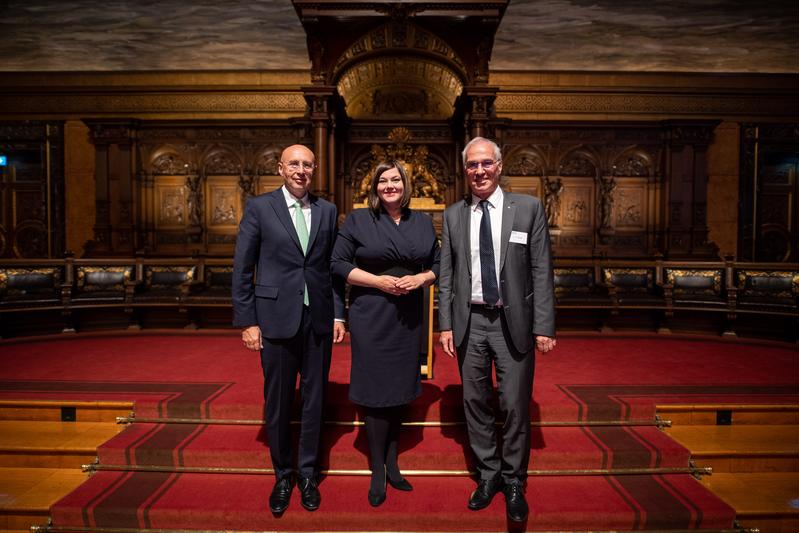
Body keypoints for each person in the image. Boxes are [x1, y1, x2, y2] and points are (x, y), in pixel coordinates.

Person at [438, 137, 557, 522]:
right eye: (472, 165)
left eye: (486, 163)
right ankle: (488, 476)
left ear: (500, 166)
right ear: (465, 170)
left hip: (513, 322)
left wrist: (544, 325)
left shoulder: (527, 208)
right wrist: (444, 326)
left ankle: (515, 480)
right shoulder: (454, 214)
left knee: (514, 405)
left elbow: (541, 271)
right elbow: (447, 276)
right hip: (470, 322)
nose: (479, 171)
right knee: (475, 404)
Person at [232, 144, 346, 514]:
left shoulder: (327, 211)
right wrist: (248, 321)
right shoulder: (260, 207)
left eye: (307, 165)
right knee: (278, 400)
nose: (301, 170)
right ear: (280, 168)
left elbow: (332, 269)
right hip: (275, 320)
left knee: (315, 401)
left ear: (314, 170)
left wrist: (339, 315)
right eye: (294, 163)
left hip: (318, 321)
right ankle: (283, 474)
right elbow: (242, 268)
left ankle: (308, 474)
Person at [331, 161, 439, 507]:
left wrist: (421, 279)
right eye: (383, 181)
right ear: (374, 187)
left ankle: (393, 462)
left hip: (408, 318)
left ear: (406, 185)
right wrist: (377, 281)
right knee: (376, 392)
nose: (389, 185)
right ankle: (378, 469)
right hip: (371, 315)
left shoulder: (421, 221)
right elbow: (337, 264)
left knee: (398, 390)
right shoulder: (359, 219)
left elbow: (439, 264)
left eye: (395, 180)